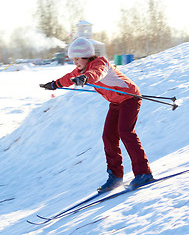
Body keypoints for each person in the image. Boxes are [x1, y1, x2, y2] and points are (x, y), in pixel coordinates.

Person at [41, 37, 153, 193]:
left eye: (77, 59)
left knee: (125, 132)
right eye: (73, 59)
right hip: (116, 103)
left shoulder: (100, 64)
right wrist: (54, 84)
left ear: (87, 55)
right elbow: (69, 78)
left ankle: (143, 173)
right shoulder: (81, 70)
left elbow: (96, 73)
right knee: (108, 136)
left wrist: (85, 78)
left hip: (130, 98)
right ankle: (115, 176)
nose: (75, 62)